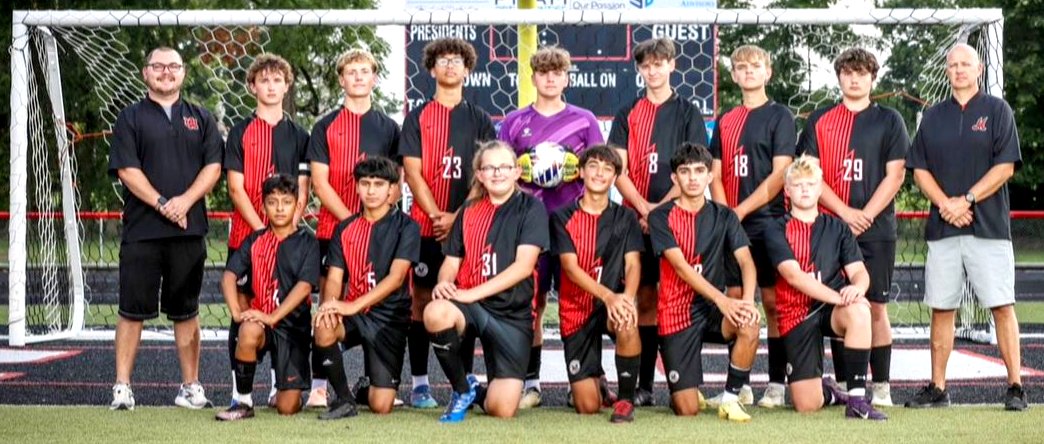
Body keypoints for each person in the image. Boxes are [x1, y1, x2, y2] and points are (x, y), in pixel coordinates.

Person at [905, 43, 1027, 411]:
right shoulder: (933, 116)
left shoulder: (997, 110)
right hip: (944, 229)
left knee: (1001, 306)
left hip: (987, 228)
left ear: (979, 69)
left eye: (966, 64)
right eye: (953, 64)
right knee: (942, 308)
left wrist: (966, 200)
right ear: (947, 71)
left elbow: (1005, 167)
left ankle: (1016, 387)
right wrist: (946, 204)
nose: (959, 70)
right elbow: (919, 170)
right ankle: (938, 387)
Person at [108, 46, 222, 410]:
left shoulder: (201, 118)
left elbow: (213, 168)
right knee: (131, 310)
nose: (166, 72)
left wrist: (184, 202)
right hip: (142, 231)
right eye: (158, 66)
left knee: (186, 311)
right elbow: (127, 170)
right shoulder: (130, 118)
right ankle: (122, 387)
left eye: (173, 66)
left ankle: (190, 386)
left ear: (183, 73)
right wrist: (162, 204)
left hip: (188, 231)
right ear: (146, 73)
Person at [797, 48, 908, 406]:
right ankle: (847, 383)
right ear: (839, 77)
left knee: (875, 305)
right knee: (838, 302)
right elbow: (810, 174)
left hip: (876, 228)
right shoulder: (820, 120)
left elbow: (896, 175)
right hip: (829, 225)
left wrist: (866, 215)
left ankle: (882, 386)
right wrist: (845, 212)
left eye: (862, 72)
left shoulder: (890, 120)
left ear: (873, 78)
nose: (854, 78)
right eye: (848, 72)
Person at [498, 45, 604, 408]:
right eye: (544, 73)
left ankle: (588, 375)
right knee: (533, 302)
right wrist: (523, 168)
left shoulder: (585, 119)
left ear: (566, 78)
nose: (550, 78)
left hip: (575, 223)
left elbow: (598, 167)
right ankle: (531, 382)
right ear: (534, 78)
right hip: (529, 224)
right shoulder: (513, 122)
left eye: (557, 73)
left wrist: (575, 168)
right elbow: (501, 169)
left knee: (582, 300)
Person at [608, 37, 709, 406]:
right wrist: (643, 207)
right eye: (646, 65)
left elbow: (694, 165)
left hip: (675, 216)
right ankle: (643, 384)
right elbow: (617, 167)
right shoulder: (627, 112)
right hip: (636, 217)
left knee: (677, 295)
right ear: (640, 69)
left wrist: (660, 209)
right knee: (644, 297)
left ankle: (683, 380)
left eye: (659, 63)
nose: (652, 71)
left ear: (672, 65)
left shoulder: (687, 112)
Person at [423, 141, 549, 423]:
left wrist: (469, 294)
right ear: (479, 174)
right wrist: (444, 283)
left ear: (517, 172)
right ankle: (461, 389)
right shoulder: (468, 210)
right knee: (435, 311)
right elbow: (451, 262)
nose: (497, 173)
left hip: (512, 315)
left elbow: (523, 267)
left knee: (502, 409)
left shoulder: (532, 208)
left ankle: (475, 390)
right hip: (472, 306)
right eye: (489, 167)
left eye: (504, 167)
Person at [401, 37, 496, 409]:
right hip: (426, 225)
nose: (450, 66)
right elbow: (412, 171)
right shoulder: (418, 117)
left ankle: (464, 380)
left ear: (468, 69)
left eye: (457, 60)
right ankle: (421, 383)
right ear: (431, 69)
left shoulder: (480, 119)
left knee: (463, 297)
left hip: (469, 225)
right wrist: (437, 215)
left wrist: (456, 218)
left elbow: (486, 171)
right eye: (443, 60)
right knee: (421, 301)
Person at [306, 48, 402, 408]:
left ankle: (375, 377)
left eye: (365, 71)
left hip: (379, 233)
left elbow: (396, 178)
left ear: (374, 78)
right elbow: (320, 180)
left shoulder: (389, 127)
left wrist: (373, 223)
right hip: (335, 228)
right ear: (341, 79)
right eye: (351, 71)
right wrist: (351, 221)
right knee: (330, 302)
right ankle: (319, 385)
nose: (359, 76)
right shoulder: (325, 125)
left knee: (375, 301)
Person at [764, 155, 886, 420]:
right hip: (797, 314)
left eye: (811, 183)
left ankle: (856, 400)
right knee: (806, 405)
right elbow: (794, 277)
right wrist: (840, 297)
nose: (805, 189)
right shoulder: (775, 229)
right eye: (797, 184)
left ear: (821, 188)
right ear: (787, 190)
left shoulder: (837, 228)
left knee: (860, 312)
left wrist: (858, 290)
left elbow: (859, 273)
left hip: (831, 310)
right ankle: (829, 391)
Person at [708, 44, 796, 408]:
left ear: (768, 72)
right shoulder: (726, 119)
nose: (748, 72)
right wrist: (727, 213)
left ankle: (776, 384)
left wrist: (740, 209)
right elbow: (715, 172)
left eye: (755, 66)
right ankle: (739, 385)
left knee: (774, 303)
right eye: (741, 67)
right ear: (733, 75)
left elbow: (781, 174)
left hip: (768, 221)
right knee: (736, 301)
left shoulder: (780, 116)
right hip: (732, 220)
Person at [648, 143, 760, 422]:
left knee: (749, 321)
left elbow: (746, 261)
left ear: (710, 176)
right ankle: (685, 387)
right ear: (675, 178)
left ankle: (731, 399)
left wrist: (746, 302)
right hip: (676, 312)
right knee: (686, 410)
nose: (693, 178)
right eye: (685, 172)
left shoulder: (725, 216)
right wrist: (723, 300)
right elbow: (681, 268)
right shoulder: (660, 217)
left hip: (711, 310)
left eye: (700, 171)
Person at [224, 53, 310, 408]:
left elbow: (303, 188)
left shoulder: (300, 134)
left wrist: (285, 229)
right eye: (264, 80)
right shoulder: (240, 132)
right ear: (253, 86)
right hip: (248, 234)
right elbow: (235, 187)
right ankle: (239, 392)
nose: (271, 86)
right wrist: (263, 230)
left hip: (288, 239)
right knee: (244, 311)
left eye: (278, 80)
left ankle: (280, 382)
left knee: (286, 309)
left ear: (286, 85)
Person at [312, 157, 420, 419]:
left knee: (381, 405)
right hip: (355, 316)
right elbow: (335, 277)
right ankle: (345, 399)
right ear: (357, 187)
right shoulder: (345, 228)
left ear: (392, 189)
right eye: (365, 183)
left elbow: (396, 278)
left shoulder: (407, 227)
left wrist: (350, 305)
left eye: (379, 184)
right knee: (324, 324)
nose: (371, 190)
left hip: (389, 318)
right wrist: (330, 304)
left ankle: (364, 390)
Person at [215, 174, 320, 420]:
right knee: (248, 330)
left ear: (297, 204)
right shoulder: (255, 240)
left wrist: (273, 315)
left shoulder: (308, 242)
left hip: (293, 328)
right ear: (263, 207)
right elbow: (229, 276)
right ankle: (243, 402)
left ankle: (286, 389)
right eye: (273, 202)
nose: (280, 208)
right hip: (262, 324)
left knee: (287, 408)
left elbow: (305, 287)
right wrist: (237, 313)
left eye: (286, 201)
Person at [551, 145, 641, 422]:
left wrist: (626, 297)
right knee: (587, 407)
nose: (599, 173)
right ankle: (598, 382)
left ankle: (625, 399)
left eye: (608, 168)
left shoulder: (626, 217)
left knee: (627, 319)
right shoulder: (562, 217)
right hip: (576, 308)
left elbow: (633, 263)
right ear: (580, 171)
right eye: (593, 166)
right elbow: (571, 268)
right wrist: (608, 296)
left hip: (612, 305)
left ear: (615, 176)